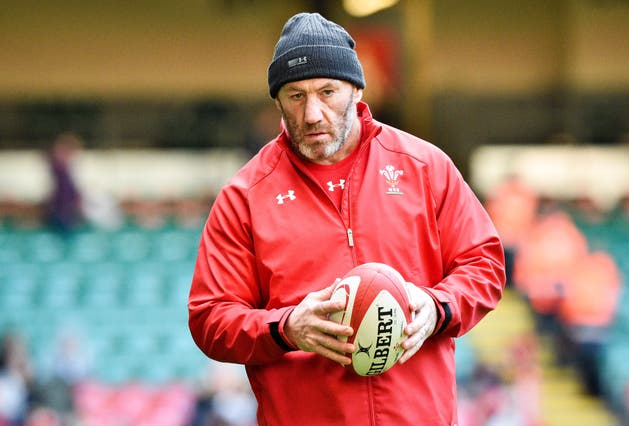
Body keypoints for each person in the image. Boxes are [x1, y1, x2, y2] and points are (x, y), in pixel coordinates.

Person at [188, 12, 505, 425]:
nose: (313, 113)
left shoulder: (425, 167)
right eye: (295, 96)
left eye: (327, 91)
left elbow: (485, 264)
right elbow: (210, 317)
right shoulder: (245, 195)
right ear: (277, 102)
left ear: (356, 90)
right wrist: (285, 328)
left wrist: (437, 306)